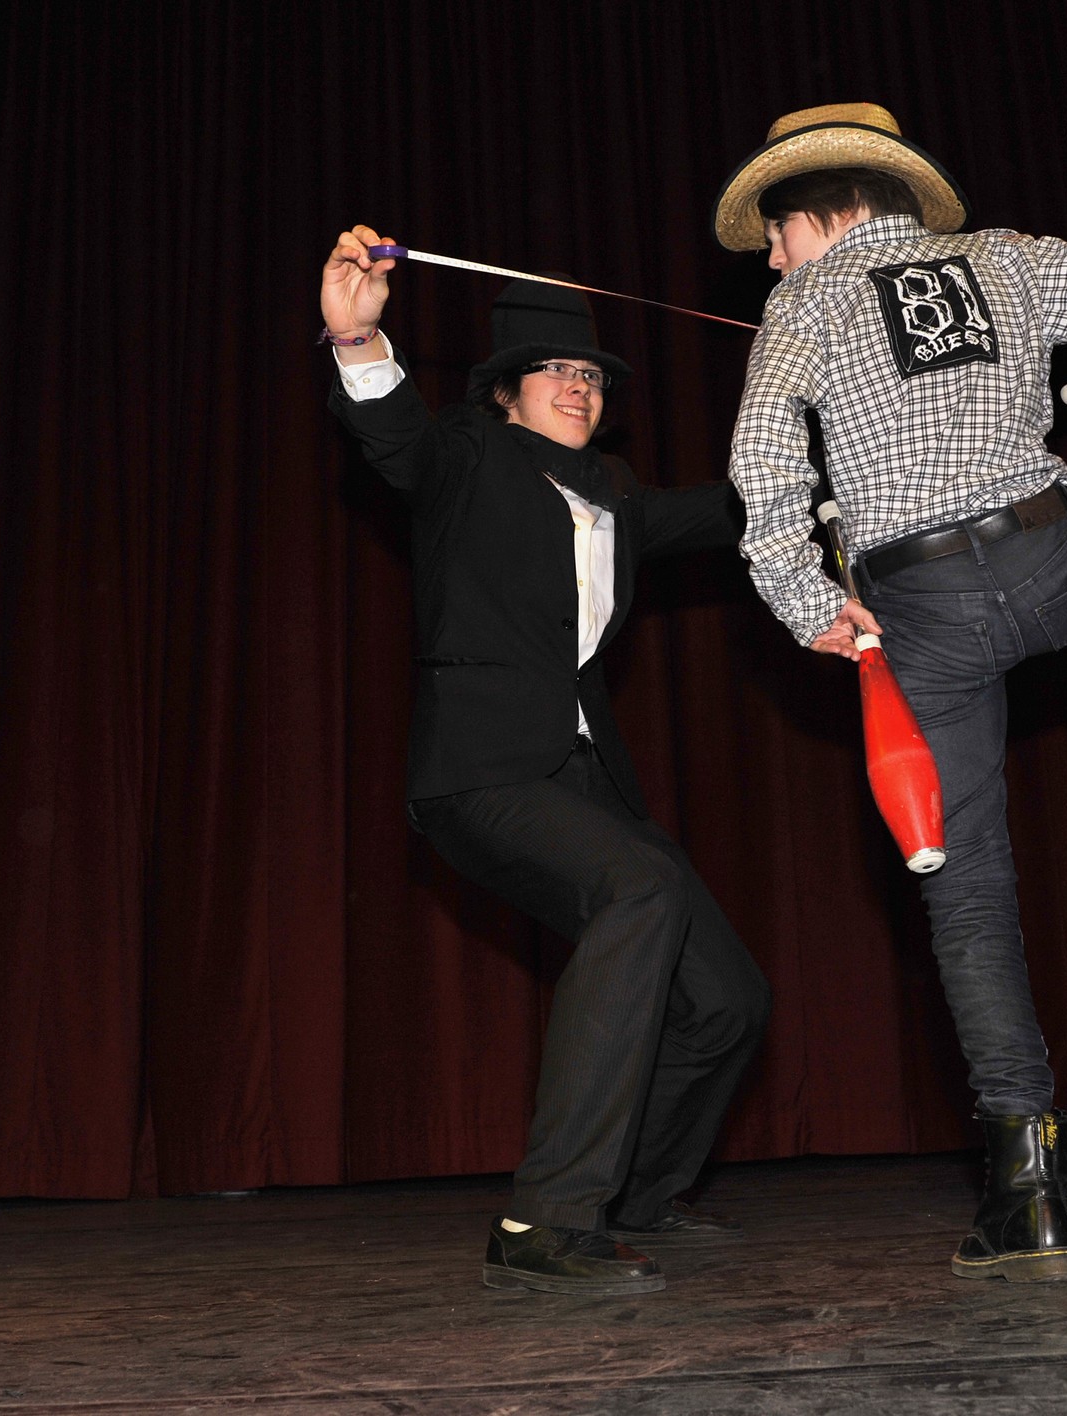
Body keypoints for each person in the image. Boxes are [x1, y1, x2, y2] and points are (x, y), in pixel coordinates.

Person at [715, 102, 1067, 1282]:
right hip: (1048, 555)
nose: (771, 262)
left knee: (967, 896)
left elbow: (761, 456)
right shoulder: (1004, 257)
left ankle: (1027, 1183)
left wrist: (801, 598)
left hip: (925, 606)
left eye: (773, 239)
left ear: (815, 214)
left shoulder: (803, 302)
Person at [319, 225, 771, 1293]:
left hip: (584, 780)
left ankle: (639, 1196)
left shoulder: (615, 492)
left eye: (591, 375)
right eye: (555, 372)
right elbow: (397, 442)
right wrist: (358, 342)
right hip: (482, 772)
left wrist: (855, 433)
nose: (577, 386)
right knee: (640, 890)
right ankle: (547, 1219)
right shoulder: (468, 459)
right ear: (506, 394)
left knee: (727, 1000)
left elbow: (739, 511)